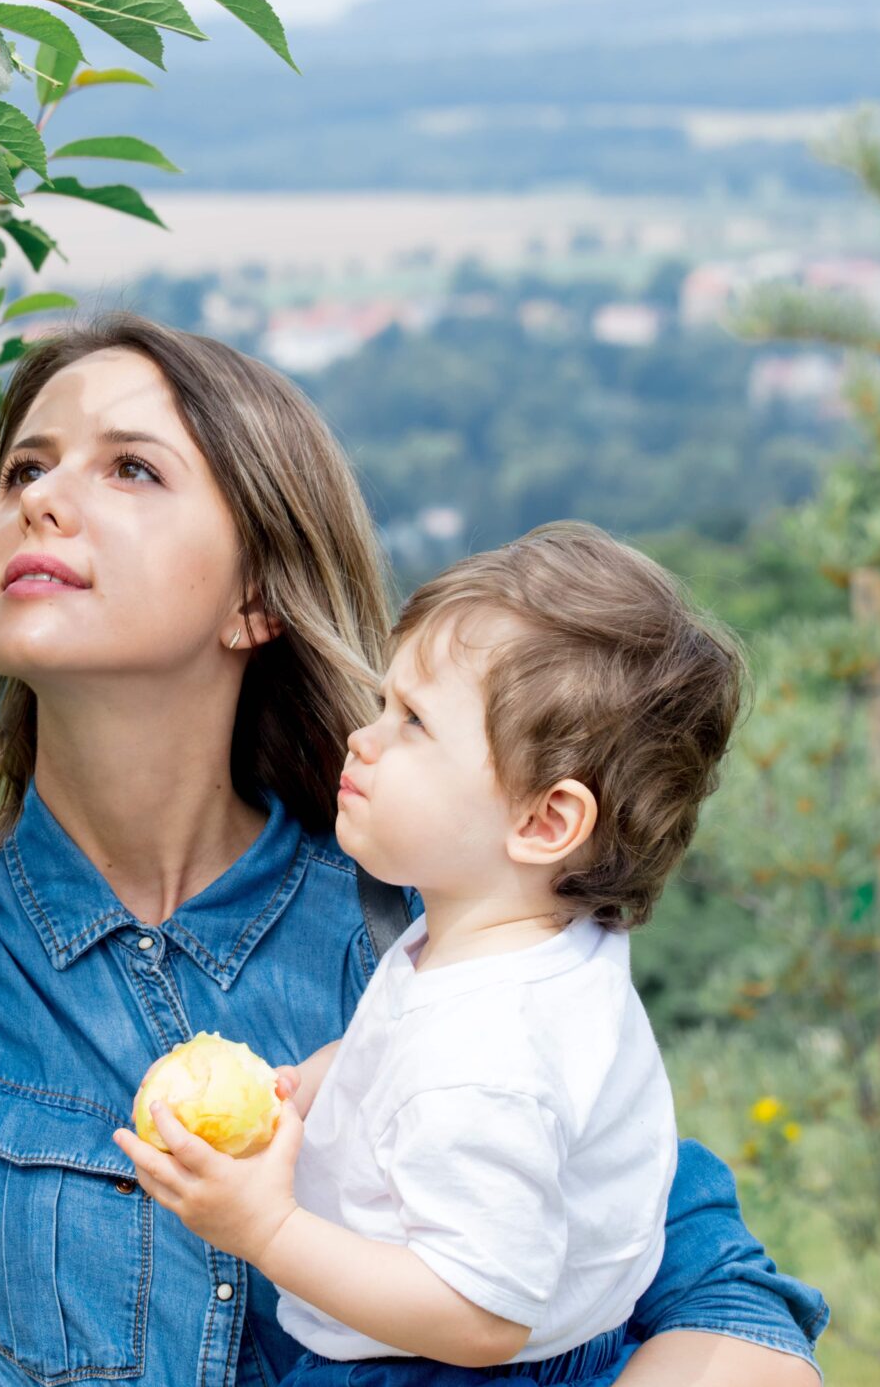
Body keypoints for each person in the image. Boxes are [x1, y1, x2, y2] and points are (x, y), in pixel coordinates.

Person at [0, 102, 828, 1387]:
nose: (45, 499)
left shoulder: (440, 932)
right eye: (24, 468)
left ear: (256, 597)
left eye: (131, 469)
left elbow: (715, 1278)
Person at [113, 524, 747, 1387]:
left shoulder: (486, 1056)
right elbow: (401, 1044)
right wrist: (304, 1081)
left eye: (413, 722)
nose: (364, 739)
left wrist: (265, 1230)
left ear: (545, 822)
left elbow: (480, 1313)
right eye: (384, 704)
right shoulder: (526, 942)